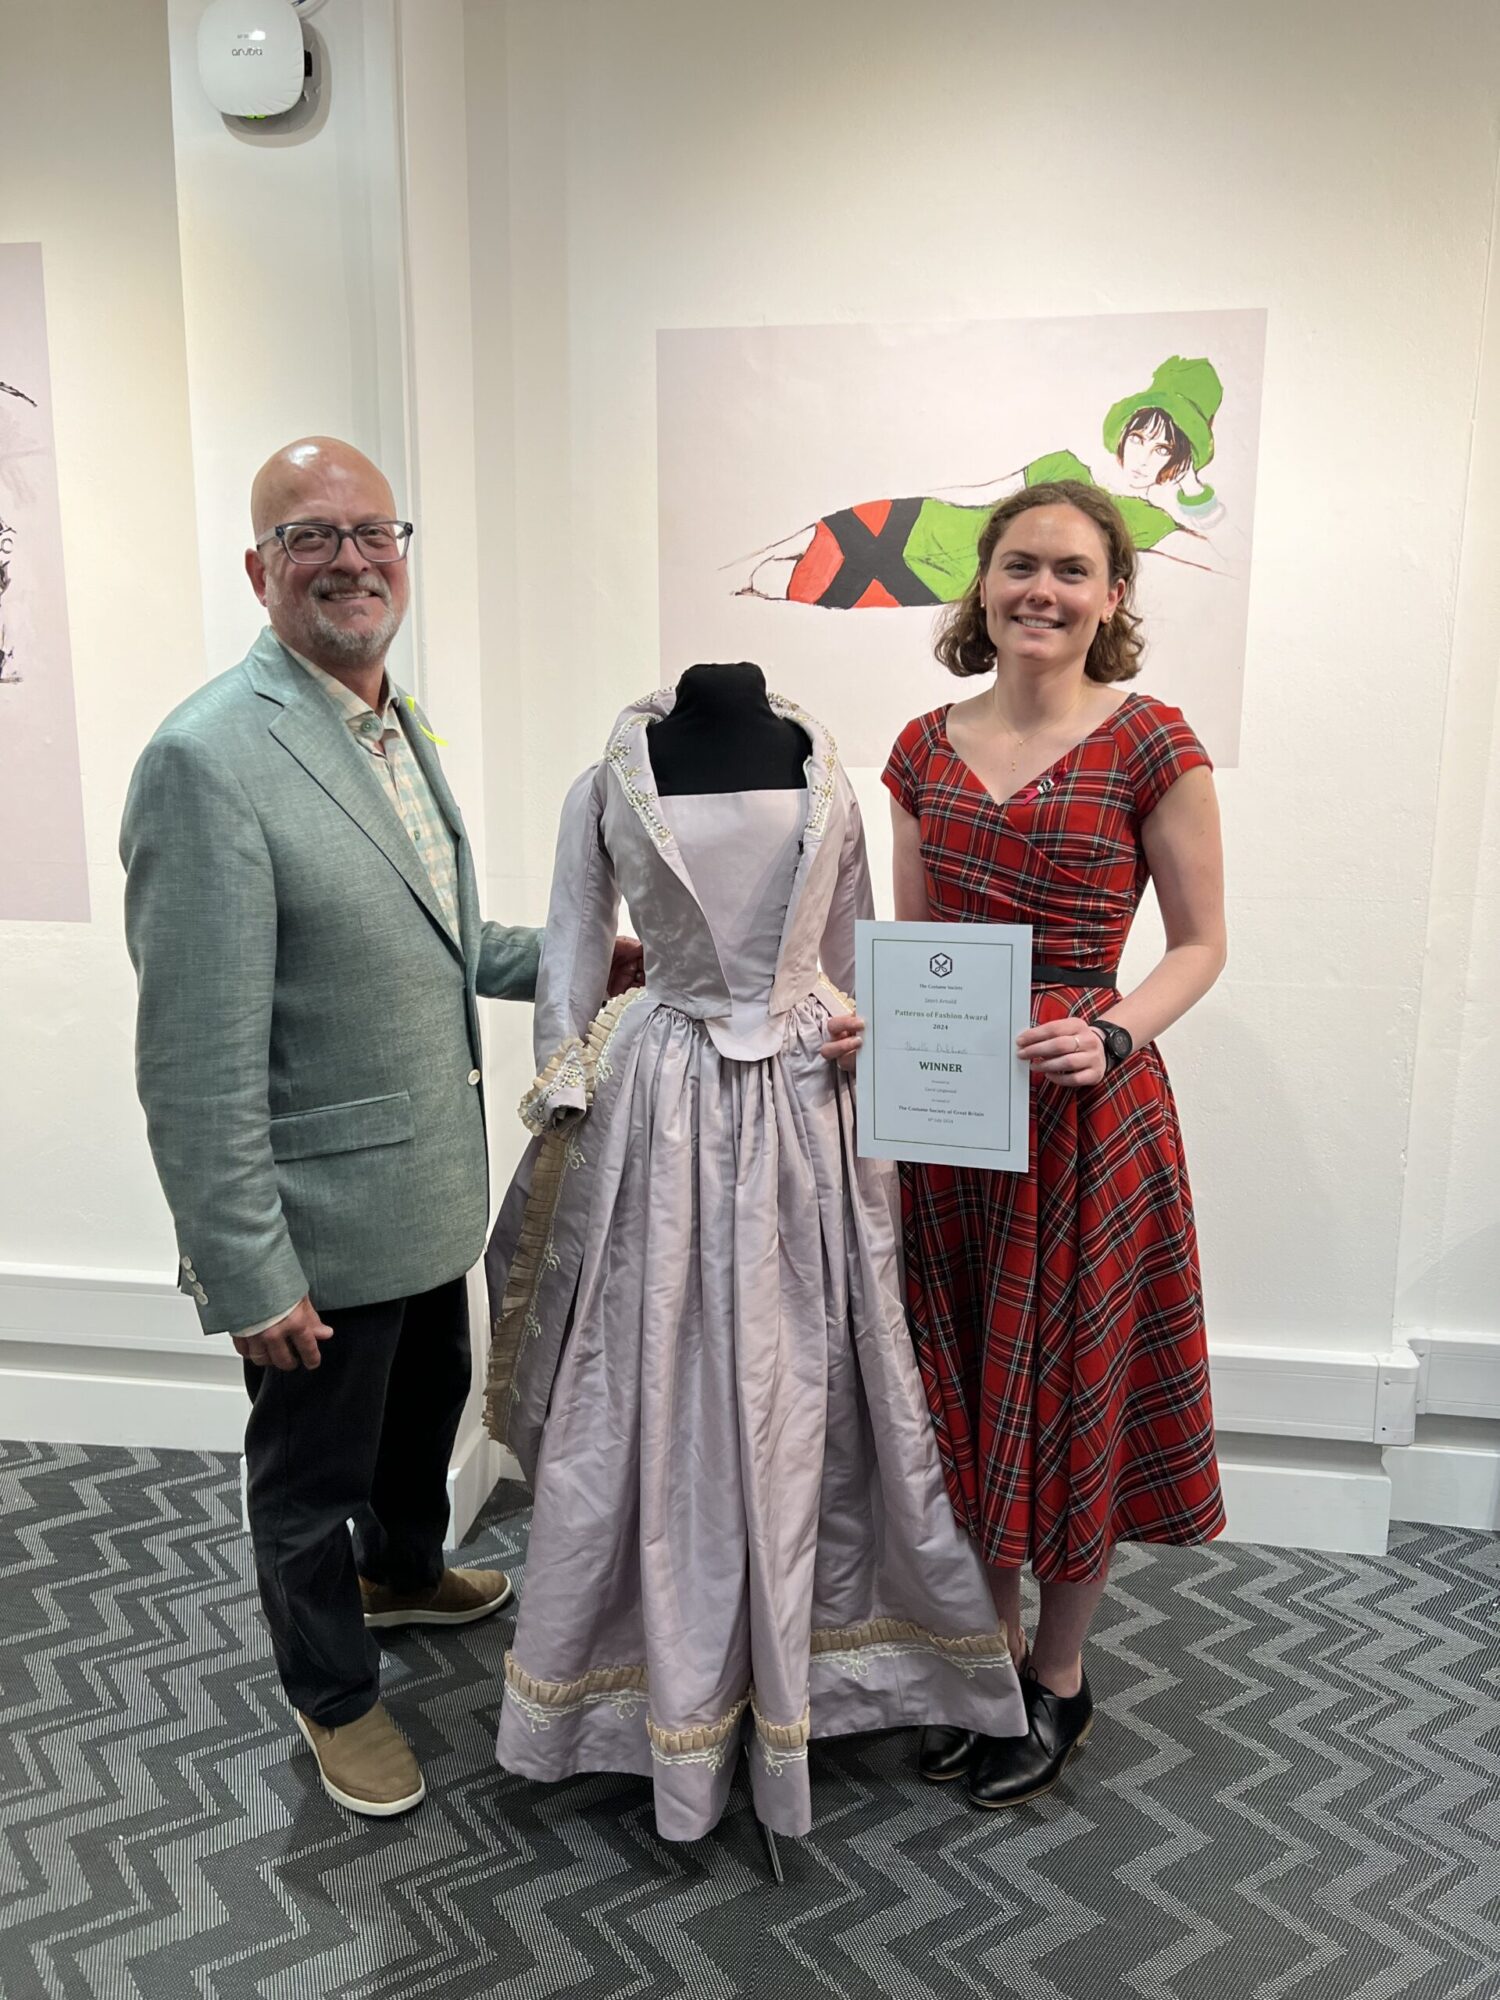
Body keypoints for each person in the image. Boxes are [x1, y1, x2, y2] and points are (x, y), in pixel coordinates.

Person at [119, 436, 640, 1820]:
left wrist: (594, 965)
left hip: (422, 1189)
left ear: (402, 552)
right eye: (309, 536)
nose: (349, 557)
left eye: (371, 531)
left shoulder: (387, 719)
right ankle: (331, 1695)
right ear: (258, 568)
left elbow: (435, 934)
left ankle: (405, 1577)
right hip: (317, 1225)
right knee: (308, 1479)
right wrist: (247, 1267)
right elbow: (191, 1056)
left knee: (421, 1430)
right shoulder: (209, 758)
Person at [481, 664, 1026, 1845]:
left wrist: (862, 1026)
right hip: (660, 1092)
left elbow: (851, 947)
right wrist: (566, 1079)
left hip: (800, 1099)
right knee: (651, 1373)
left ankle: (820, 1669)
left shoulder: (824, 772)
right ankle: (653, 1682)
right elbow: (575, 949)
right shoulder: (605, 784)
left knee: (811, 1374)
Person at [823, 480, 1226, 1808]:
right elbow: (917, 950)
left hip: (1092, 1118)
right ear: (981, 587)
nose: (1038, 591)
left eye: (1069, 570)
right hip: (955, 1123)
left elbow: (1202, 945)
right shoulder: (923, 749)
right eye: (1016, 567)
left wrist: (1113, 1033)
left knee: (1073, 1397)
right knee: (967, 1394)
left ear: (1114, 596)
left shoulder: (1153, 743)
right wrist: (864, 1027)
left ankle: (1059, 1677)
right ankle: (983, 1660)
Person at [733, 355, 1226, 607]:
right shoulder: (1063, 463)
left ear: (1179, 461)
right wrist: (911, 499)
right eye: (1140, 438)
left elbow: (1225, 559)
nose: (1143, 456)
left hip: (945, 576)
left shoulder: (1143, 520)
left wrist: (1195, 489)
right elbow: (984, 493)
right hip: (925, 521)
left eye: (1164, 449)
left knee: (772, 583)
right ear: (1124, 433)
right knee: (779, 550)